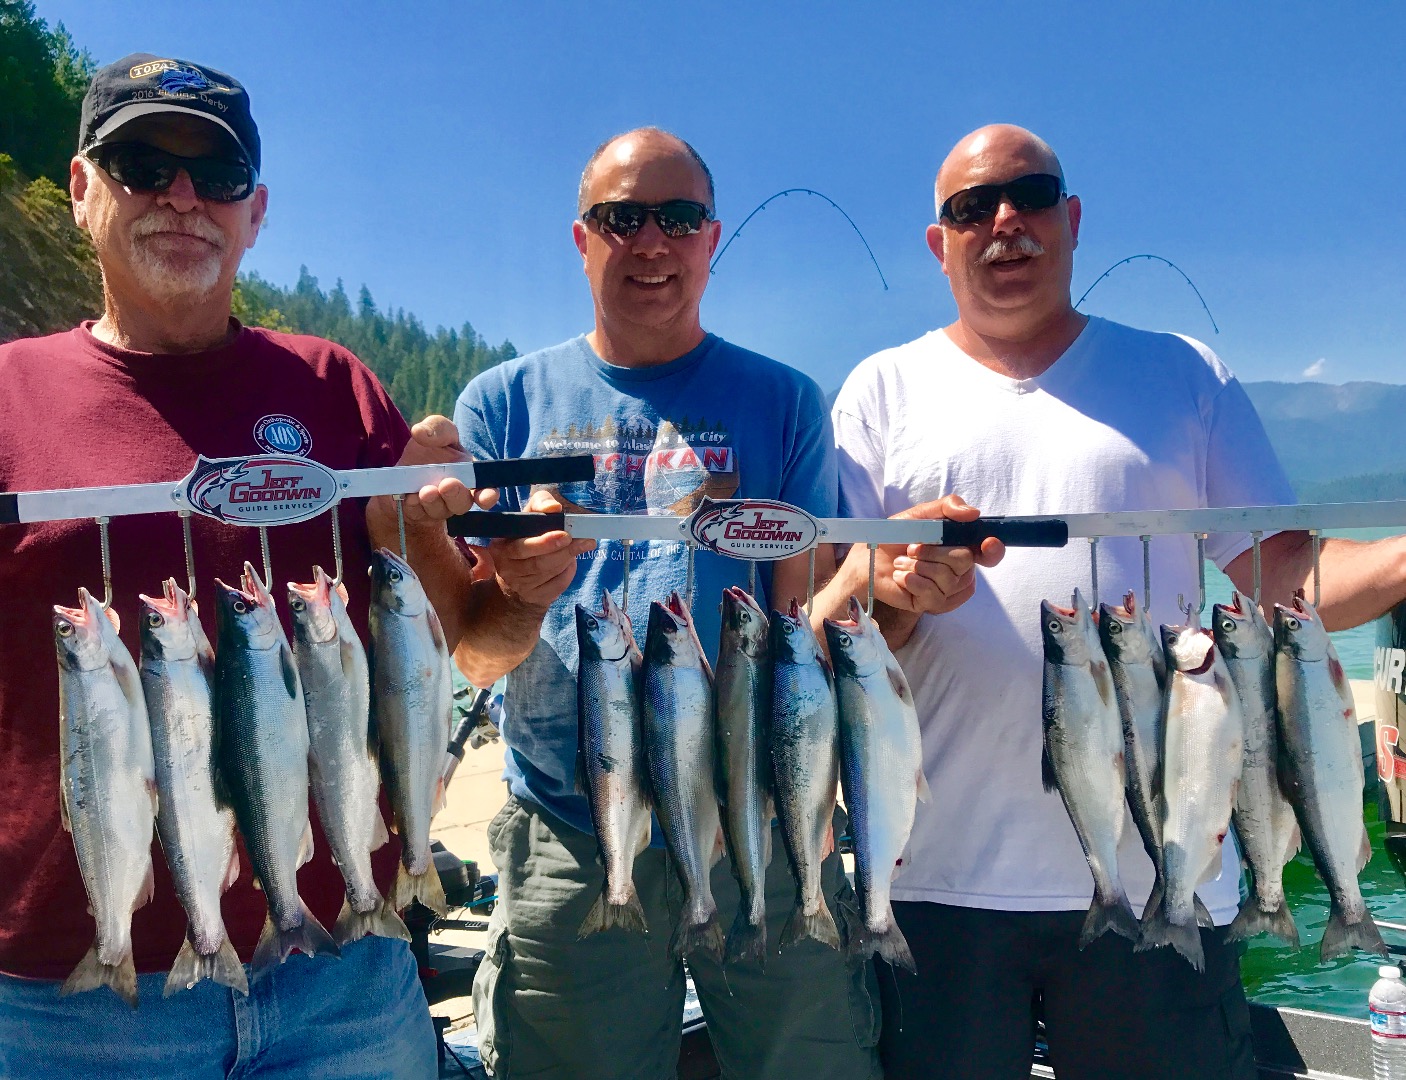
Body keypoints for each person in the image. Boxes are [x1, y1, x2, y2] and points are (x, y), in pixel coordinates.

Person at [822, 123, 1406, 1080]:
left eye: (1030, 195)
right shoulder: (880, 392)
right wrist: (885, 579)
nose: (1004, 222)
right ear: (940, 242)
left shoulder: (1183, 374)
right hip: (932, 882)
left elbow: (1285, 578)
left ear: (1074, 219)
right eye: (972, 208)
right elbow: (831, 622)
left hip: (1163, 879)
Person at [0, 53, 487, 1078]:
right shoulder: (8, 392)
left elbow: (442, 630)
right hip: (60, 999)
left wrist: (446, 542)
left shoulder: (332, 384)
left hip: (343, 979)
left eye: (215, 176)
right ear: (82, 188)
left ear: (254, 212)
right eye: (142, 163)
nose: (182, 197)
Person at [449, 127, 883, 1080]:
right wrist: (519, 593)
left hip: (757, 816)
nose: (652, 242)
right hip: (569, 824)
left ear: (712, 238)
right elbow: (474, 655)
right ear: (581, 238)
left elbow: (798, 618)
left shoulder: (786, 403)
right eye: (623, 218)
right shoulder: (498, 405)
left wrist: (884, 589)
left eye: (679, 218)